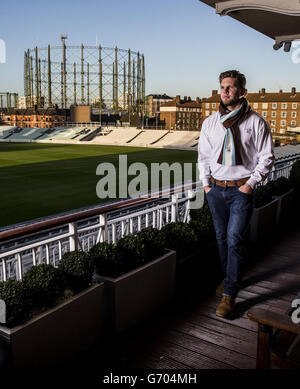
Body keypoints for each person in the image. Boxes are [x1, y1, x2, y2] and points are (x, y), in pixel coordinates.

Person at [197, 70, 275, 318]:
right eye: (222, 87)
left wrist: (250, 184)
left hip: (241, 190)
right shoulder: (210, 122)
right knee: (221, 238)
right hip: (215, 190)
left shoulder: (256, 122)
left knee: (234, 239)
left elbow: (267, 158)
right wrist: (206, 185)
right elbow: (204, 157)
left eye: (230, 87)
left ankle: (230, 292)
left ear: (243, 91)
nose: (225, 92)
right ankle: (230, 278)